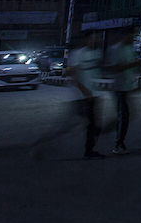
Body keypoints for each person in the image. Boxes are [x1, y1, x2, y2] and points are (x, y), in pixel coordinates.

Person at [31, 31, 104, 159]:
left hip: (93, 94)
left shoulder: (95, 53)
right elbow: (74, 75)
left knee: (93, 125)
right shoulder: (77, 54)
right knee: (73, 126)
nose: (95, 40)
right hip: (82, 97)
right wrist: (84, 90)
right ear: (86, 39)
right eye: (92, 38)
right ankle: (44, 145)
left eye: (96, 38)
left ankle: (89, 150)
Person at [105, 29, 140, 155]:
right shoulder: (115, 50)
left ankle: (117, 138)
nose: (131, 40)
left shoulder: (130, 49)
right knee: (123, 115)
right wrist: (133, 64)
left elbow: (131, 68)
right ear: (123, 37)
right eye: (129, 37)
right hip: (119, 87)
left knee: (128, 115)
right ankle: (118, 144)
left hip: (128, 86)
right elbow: (115, 68)